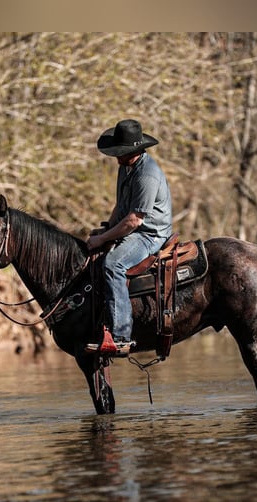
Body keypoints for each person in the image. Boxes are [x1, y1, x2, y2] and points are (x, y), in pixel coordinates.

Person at [85, 119, 173, 355]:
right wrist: (106, 230)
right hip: (133, 226)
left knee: (113, 264)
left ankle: (121, 336)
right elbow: (121, 207)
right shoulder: (125, 168)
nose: (115, 157)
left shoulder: (147, 175)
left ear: (132, 151)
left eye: (119, 152)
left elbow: (135, 220)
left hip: (150, 234)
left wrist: (103, 240)